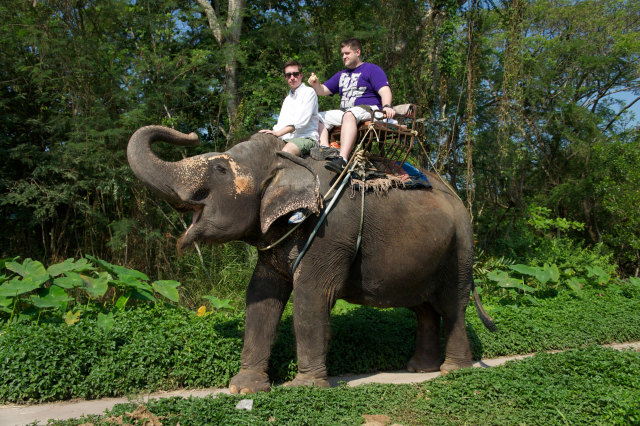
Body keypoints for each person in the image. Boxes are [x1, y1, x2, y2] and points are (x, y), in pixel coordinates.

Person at [308, 38, 395, 173]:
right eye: (342, 54)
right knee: (316, 116)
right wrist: (316, 85)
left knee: (349, 115)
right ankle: (326, 149)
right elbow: (322, 91)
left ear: (358, 52)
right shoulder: (341, 75)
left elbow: (384, 90)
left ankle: (342, 159)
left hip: (370, 109)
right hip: (347, 112)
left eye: (347, 53)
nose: (344, 57)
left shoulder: (371, 69)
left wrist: (387, 106)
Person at [259, 60, 319, 158]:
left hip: (306, 137)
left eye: (295, 74)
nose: (292, 78)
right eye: (288, 75)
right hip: (286, 138)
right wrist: (269, 133)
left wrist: (278, 133)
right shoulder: (287, 99)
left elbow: (300, 122)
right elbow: (281, 124)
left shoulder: (309, 92)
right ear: (285, 77)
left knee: (287, 152)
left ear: (301, 75)